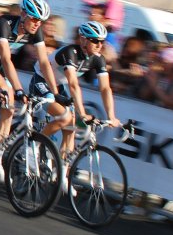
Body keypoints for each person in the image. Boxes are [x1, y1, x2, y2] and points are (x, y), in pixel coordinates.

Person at [0, 0, 60, 178]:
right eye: (34, 19)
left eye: (40, 21)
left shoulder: (36, 31)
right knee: (5, 92)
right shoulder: (4, 24)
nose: (37, 24)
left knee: (8, 108)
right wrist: (18, 89)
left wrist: (55, 93)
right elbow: (6, 59)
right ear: (23, 14)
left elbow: (44, 63)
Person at [30, 21, 121, 161]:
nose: (99, 45)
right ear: (83, 40)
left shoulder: (98, 59)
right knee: (64, 117)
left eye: (102, 41)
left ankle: (62, 169)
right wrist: (82, 114)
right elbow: (73, 84)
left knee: (70, 128)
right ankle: (33, 147)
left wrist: (111, 116)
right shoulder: (70, 52)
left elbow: (105, 88)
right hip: (41, 81)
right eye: (95, 41)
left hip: (58, 85)